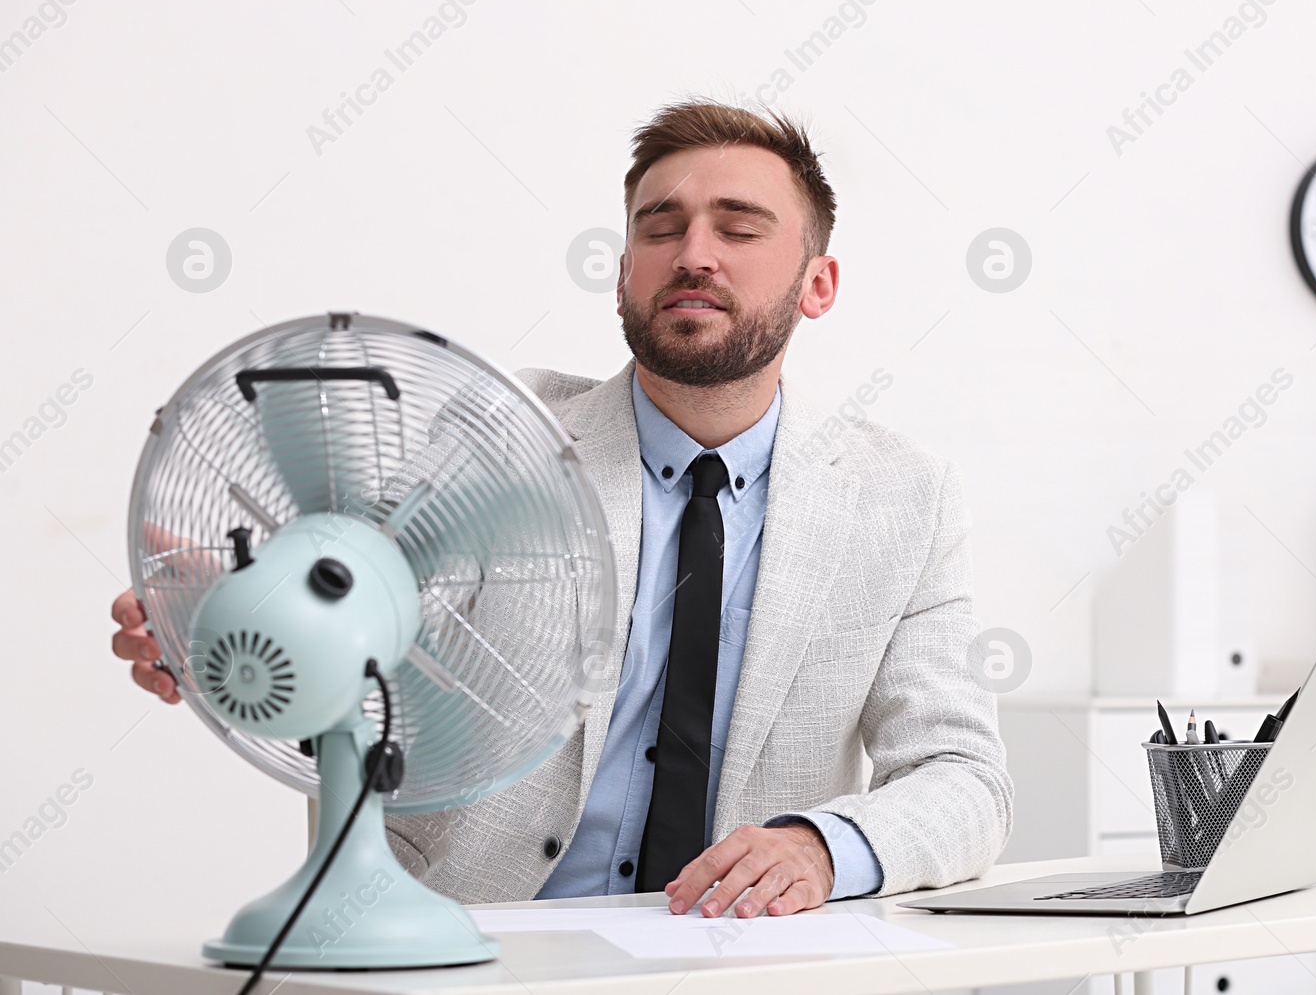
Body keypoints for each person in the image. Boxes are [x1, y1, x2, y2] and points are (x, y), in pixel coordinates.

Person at [110, 98, 1012, 920]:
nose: (693, 252)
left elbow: (964, 780)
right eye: (661, 229)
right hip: (467, 943)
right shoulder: (492, 436)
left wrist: (822, 847)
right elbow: (369, 666)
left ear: (818, 284)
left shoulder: (905, 498)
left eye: (738, 228)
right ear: (623, 276)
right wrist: (237, 631)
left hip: (744, 959)